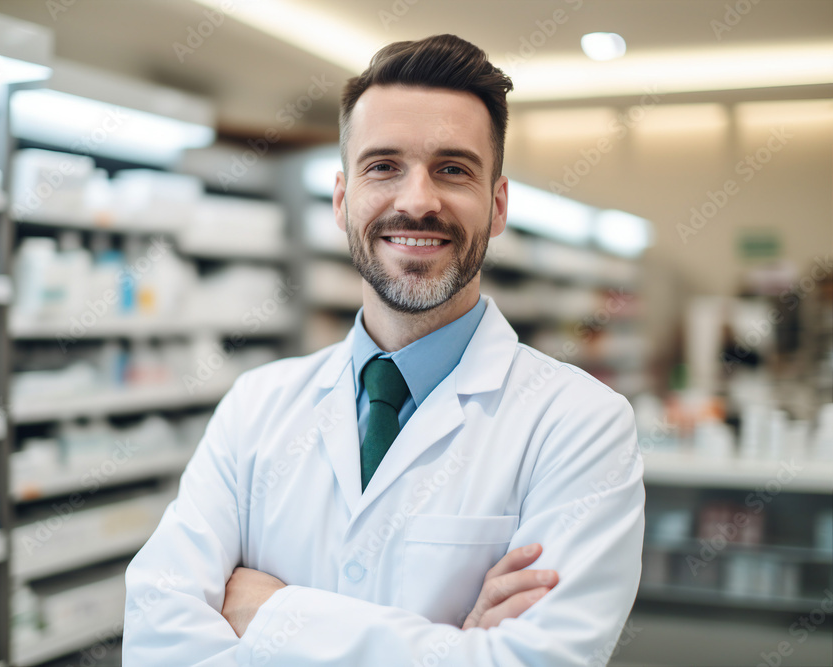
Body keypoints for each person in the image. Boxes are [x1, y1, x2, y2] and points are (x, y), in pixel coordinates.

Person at [123, 33, 644, 667]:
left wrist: (272, 613)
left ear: (498, 204)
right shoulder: (255, 407)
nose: (417, 201)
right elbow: (156, 640)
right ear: (343, 200)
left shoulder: (581, 426)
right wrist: (457, 647)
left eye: (452, 169)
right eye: (383, 166)